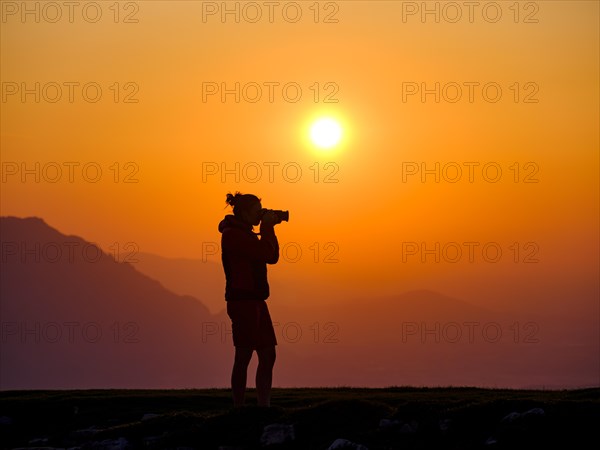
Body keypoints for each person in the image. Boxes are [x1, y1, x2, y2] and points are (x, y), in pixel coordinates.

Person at [218, 191, 281, 407]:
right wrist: (267, 228)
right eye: (257, 212)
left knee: (268, 354)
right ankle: (239, 407)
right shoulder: (233, 235)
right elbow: (265, 253)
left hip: (256, 301)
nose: (260, 215)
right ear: (244, 213)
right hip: (242, 302)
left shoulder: (246, 233)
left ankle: (264, 406)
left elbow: (271, 257)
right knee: (243, 356)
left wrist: (268, 229)